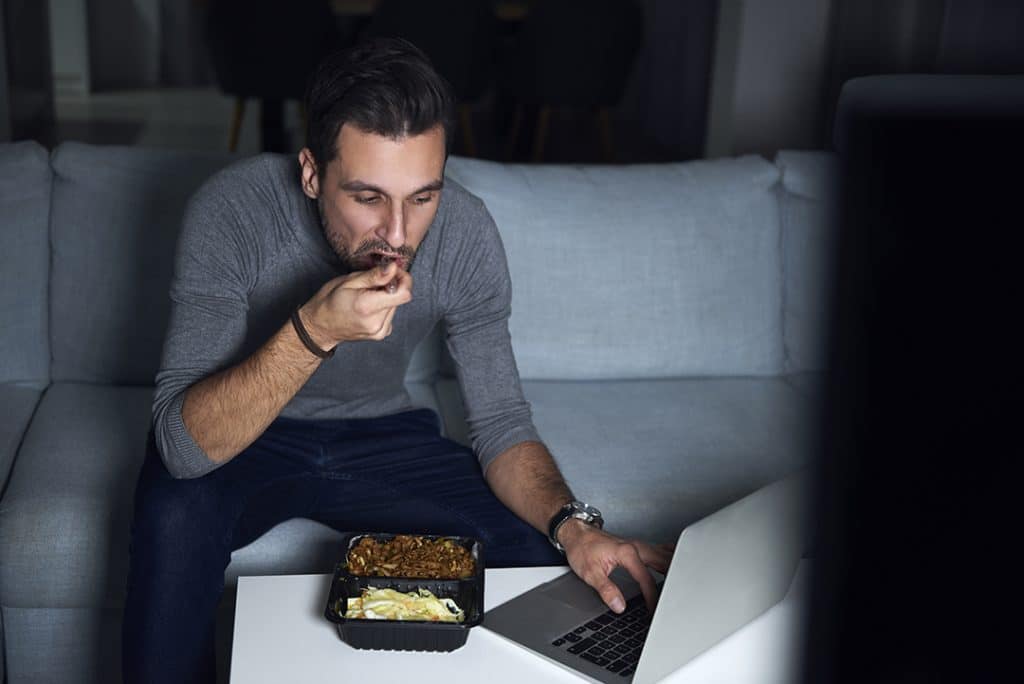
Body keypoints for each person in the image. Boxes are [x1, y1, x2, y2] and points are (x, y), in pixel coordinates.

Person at [121, 38, 671, 683]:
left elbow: (499, 422)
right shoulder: (232, 210)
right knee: (171, 515)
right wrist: (312, 333)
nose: (399, 235)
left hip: (381, 436)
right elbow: (184, 445)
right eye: (367, 197)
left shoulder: (465, 231)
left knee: (534, 553)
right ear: (310, 173)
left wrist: (575, 527)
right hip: (246, 434)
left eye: (421, 196)